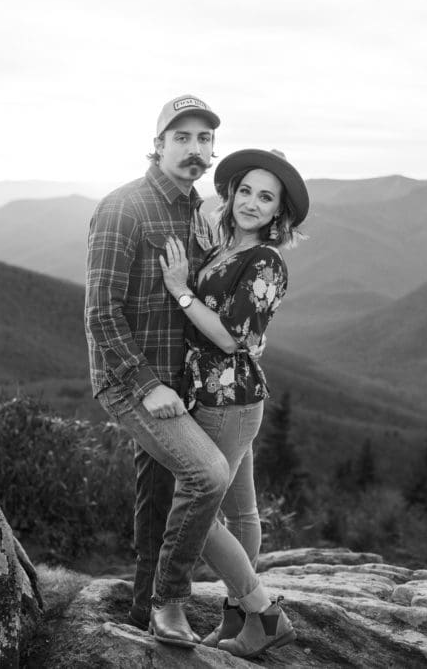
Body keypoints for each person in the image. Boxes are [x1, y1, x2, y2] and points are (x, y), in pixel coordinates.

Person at [84, 94, 228, 647]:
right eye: (183, 138)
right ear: (159, 144)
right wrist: (147, 387)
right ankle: (170, 601)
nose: (195, 150)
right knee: (208, 474)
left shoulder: (199, 211)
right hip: (132, 382)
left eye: (205, 139)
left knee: (160, 493)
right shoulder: (123, 208)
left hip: (180, 382)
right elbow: (100, 313)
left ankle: (142, 612)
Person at [158, 148, 309, 658]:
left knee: (199, 512)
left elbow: (228, 337)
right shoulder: (227, 249)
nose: (251, 202)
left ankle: (263, 614)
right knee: (241, 512)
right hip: (221, 395)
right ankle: (238, 616)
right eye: (245, 190)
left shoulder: (266, 261)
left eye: (265, 197)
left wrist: (180, 290)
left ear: (277, 213)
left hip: (228, 400)